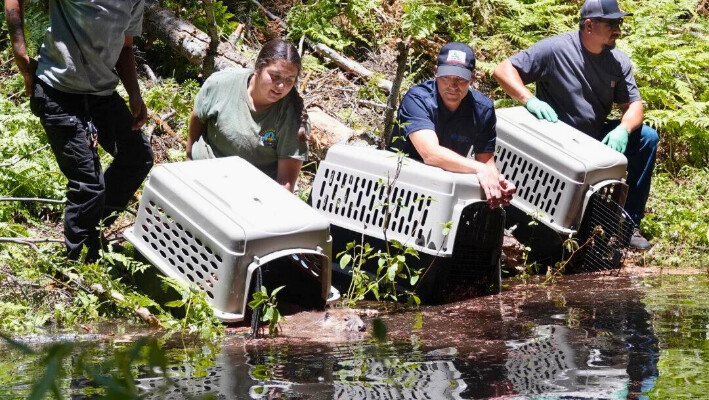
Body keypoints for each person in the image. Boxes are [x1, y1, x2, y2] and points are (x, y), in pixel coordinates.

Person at [492, 0, 659, 250]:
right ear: (589, 25)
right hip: (554, 135)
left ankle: (626, 226)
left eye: (620, 23)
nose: (618, 30)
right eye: (612, 23)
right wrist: (529, 100)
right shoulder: (555, 49)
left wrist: (623, 128)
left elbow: (634, 106)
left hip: (592, 139)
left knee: (647, 138)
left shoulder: (618, 62)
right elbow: (503, 70)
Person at [5, 0, 154, 262]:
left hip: (101, 95)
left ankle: (93, 231)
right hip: (58, 92)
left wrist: (135, 93)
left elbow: (126, 46)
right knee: (89, 185)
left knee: (137, 156)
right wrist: (20, 53)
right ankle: (78, 262)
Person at [388, 42, 516, 208]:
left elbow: (486, 163)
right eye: (446, 77)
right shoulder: (418, 99)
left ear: (472, 78)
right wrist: (482, 170)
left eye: (461, 79)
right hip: (400, 180)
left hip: (445, 189)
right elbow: (430, 154)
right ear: (436, 73)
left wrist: (496, 181)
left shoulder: (483, 110)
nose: (452, 86)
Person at [186, 39, 309, 193]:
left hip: (249, 193)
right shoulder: (222, 83)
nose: (281, 86)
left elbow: (285, 183)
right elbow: (198, 117)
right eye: (275, 76)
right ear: (257, 69)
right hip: (201, 174)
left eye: (289, 80)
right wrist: (188, 159)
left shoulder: (292, 116)